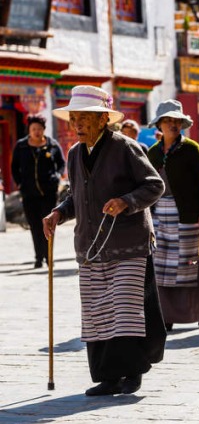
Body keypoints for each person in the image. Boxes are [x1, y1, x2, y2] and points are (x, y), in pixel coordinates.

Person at [42, 85, 166, 396]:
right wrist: (58, 212)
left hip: (128, 242)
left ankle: (133, 372)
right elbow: (76, 195)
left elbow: (154, 185)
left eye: (85, 118)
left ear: (102, 119)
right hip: (91, 246)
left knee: (125, 311)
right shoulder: (73, 154)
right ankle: (108, 377)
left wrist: (127, 201)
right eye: (75, 119)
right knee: (98, 313)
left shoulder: (125, 147)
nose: (78, 124)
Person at [147, 99, 199, 332]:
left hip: (189, 217)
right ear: (159, 124)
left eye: (176, 120)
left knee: (192, 264)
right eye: (167, 120)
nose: (172, 124)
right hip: (160, 217)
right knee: (164, 268)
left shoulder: (191, 149)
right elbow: (145, 186)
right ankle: (167, 314)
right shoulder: (153, 154)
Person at [11, 115, 65, 268]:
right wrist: (20, 183)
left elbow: (61, 164)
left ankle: (49, 257)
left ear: (44, 130)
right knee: (34, 226)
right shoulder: (21, 146)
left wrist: (57, 177)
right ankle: (38, 257)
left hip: (49, 193)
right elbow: (14, 167)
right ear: (29, 130)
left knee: (49, 225)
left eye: (39, 129)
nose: (36, 131)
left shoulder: (52, 145)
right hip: (29, 194)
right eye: (33, 129)